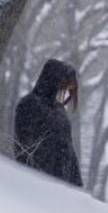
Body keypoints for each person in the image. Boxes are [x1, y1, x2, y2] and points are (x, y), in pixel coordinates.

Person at [14, 59, 83, 187]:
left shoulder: (59, 110)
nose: (64, 91)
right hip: (38, 184)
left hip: (62, 187)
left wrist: (77, 187)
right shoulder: (29, 105)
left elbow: (69, 152)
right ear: (54, 81)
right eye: (64, 85)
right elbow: (24, 148)